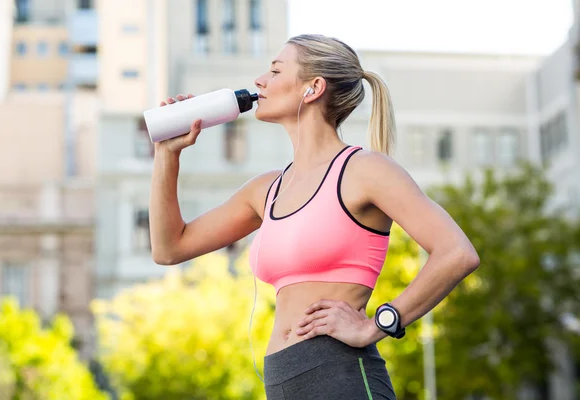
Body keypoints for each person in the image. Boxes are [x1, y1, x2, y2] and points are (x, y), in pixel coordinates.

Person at [149, 34, 480, 400]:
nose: (260, 80)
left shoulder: (364, 170)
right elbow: (169, 248)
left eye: (275, 70)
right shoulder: (266, 190)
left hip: (342, 377)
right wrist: (168, 155)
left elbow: (457, 253)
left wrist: (378, 325)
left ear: (313, 87)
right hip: (283, 382)